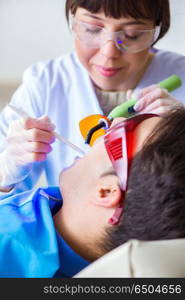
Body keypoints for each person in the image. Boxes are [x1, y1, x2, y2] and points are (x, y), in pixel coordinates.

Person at [0, 0, 185, 194]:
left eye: (132, 35)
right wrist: (6, 172)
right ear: (72, 21)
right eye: (92, 29)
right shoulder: (45, 82)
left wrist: (180, 134)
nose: (109, 53)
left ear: (157, 30)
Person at [1, 108, 185, 278]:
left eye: (122, 132)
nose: (114, 120)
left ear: (106, 192)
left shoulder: (9, 251)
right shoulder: (70, 212)